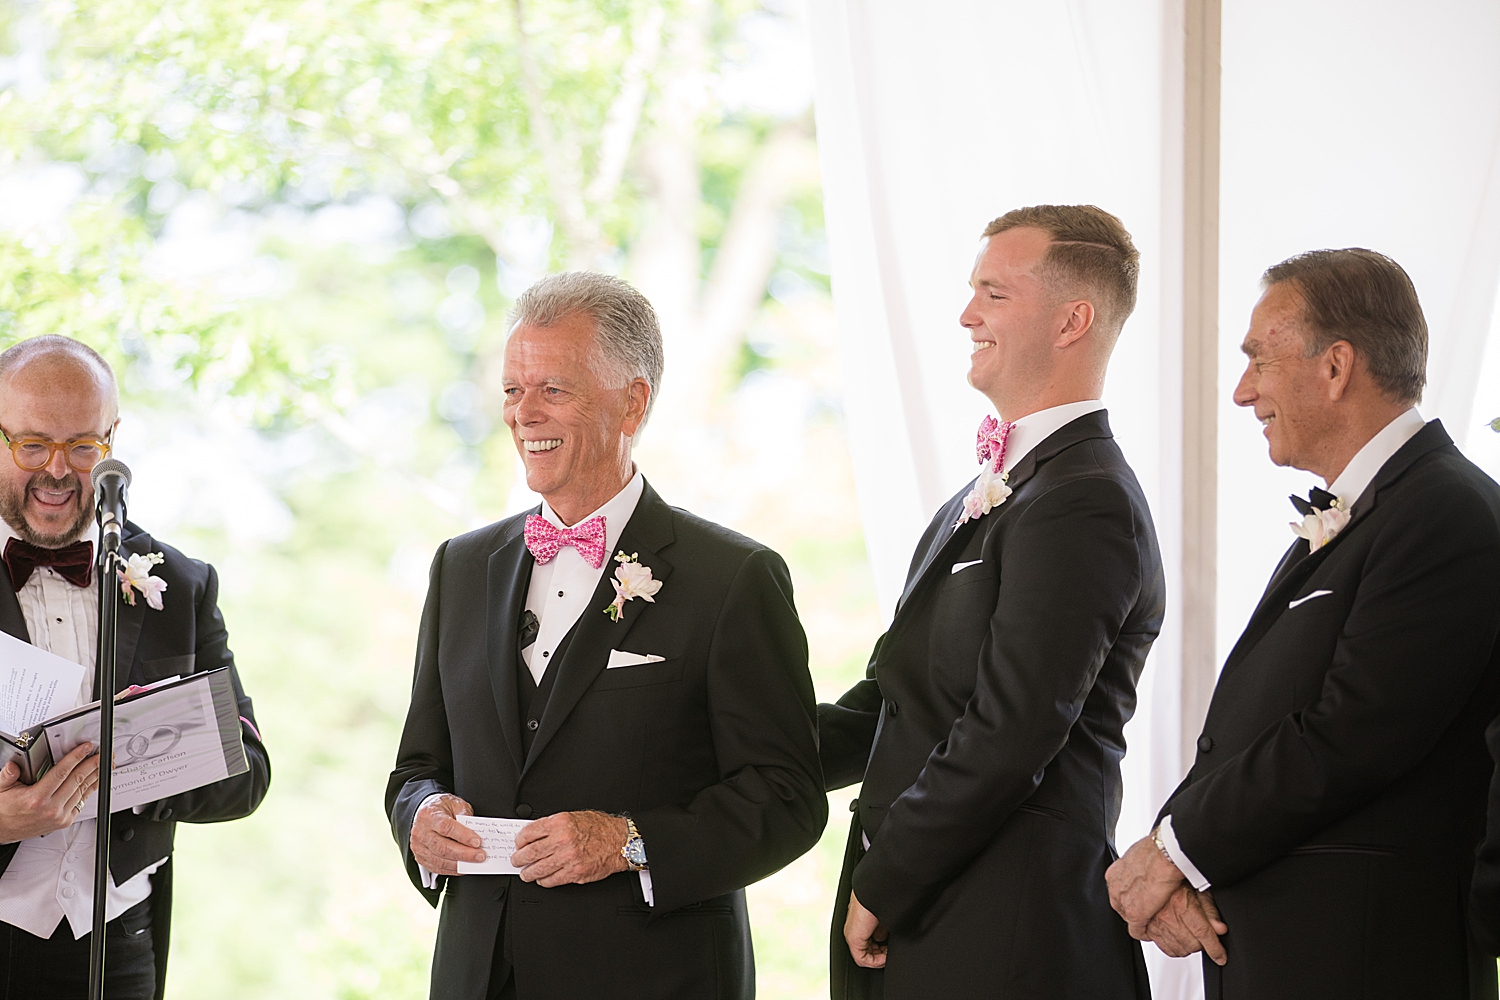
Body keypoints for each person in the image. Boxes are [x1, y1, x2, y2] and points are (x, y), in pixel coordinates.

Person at [385, 271, 826, 1000]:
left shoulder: (733, 577)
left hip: (656, 976)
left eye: (552, 389)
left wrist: (629, 841)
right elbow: (416, 767)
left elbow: (787, 798)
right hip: (477, 975)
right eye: (510, 390)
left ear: (633, 402)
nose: (524, 414)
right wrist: (420, 817)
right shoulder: (461, 566)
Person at [1107, 249, 1500, 999]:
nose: (1241, 391)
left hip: (1363, 963)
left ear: (1336, 366)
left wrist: (1173, 851)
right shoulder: (1369, 513)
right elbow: (1256, 731)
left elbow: (1353, 731)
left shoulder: (1445, 512)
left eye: (1259, 359)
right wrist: (1177, 856)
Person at [818, 205, 1164, 999]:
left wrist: (887, 878)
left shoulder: (1087, 501)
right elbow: (897, 701)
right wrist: (737, 749)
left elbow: (1012, 727)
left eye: (993, 293)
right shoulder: (981, 498)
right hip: (934, 917)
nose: (967, 314)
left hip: (1009, 930)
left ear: (1072, 319)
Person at [0, 335, 270, 999]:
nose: (59, 471)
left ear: (113, 439)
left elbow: (250, 773)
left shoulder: (179, 581)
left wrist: (141, 768)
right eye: (33, 445)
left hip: (120, 944)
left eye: (83, 446)